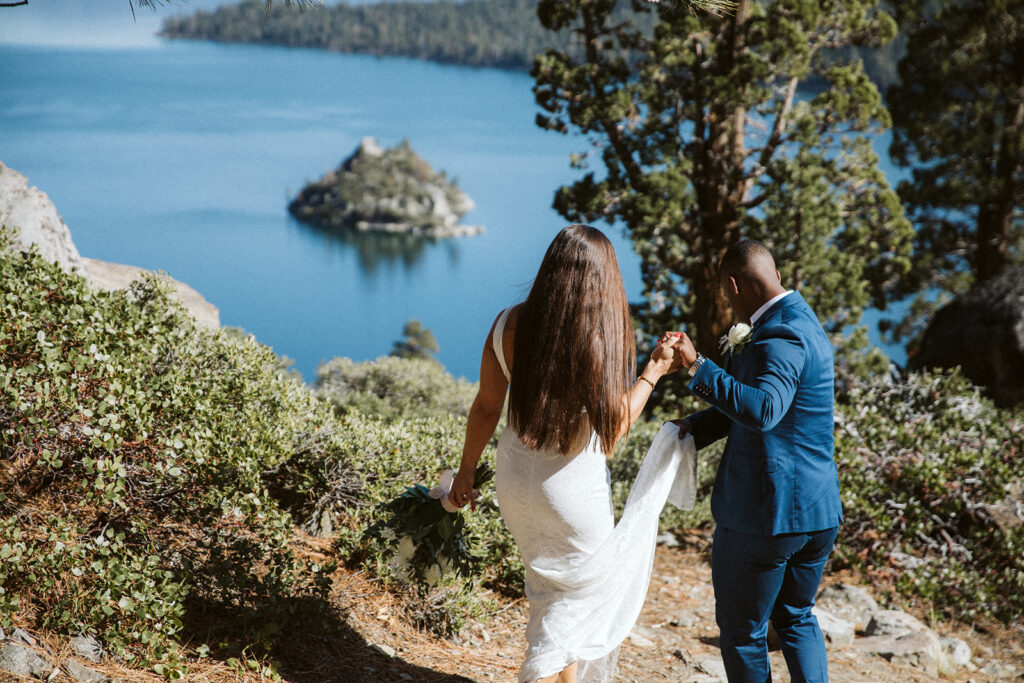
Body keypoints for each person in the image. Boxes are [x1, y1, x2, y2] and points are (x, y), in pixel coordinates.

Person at [449, 224, 686, 683]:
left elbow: (485, 408)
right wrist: (654, 371)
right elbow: (614, 430)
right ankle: (536, 675)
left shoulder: (506, 324)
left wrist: (465, 473)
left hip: (515, 482)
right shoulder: (597, 339)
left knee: (550, 592)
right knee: (583, 598)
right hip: (571, 492)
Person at [669, 239, 843, 682]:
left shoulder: (780, 333)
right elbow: (778, 410)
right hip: (816, 510)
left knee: (744, 633)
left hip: (767, 516)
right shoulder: (802, 320)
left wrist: (698, 367)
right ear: (776, 275)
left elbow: (764, 409)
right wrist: (696, 428)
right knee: (796, 617)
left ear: (733, 286)